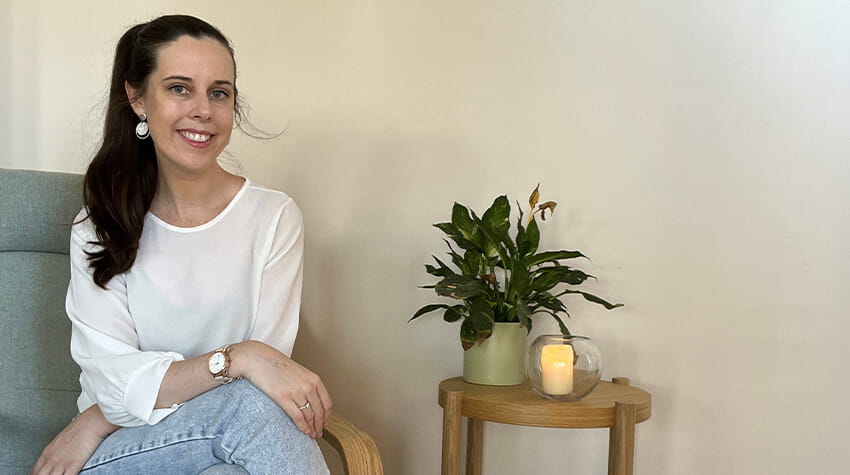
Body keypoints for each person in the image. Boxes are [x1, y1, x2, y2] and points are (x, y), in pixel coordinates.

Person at [31, 15, 331, 475]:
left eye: (219, 92)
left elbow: (266, 378)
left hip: (219, 441)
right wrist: (238, 357)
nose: (203, 111)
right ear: (137, 99)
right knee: (252, 414)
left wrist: (101, 416)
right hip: (122, 453)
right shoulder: (99, 225)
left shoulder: (274, 219)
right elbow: (116, 385)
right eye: (178, 88)